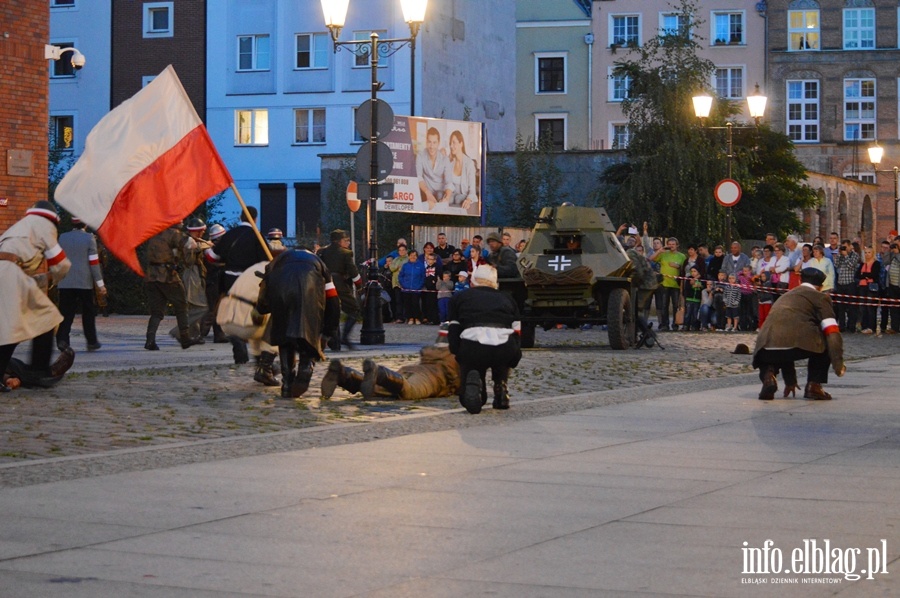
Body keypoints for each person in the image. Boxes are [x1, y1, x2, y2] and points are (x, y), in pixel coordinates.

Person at [0, 201, 74, 392]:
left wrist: (42, 279)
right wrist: (55, 277)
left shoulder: (19, 226)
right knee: (48, 318)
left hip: (7, 273)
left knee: (9, 326)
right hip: (11, 274)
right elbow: (62, 264)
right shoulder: (45, 225)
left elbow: (18, 268)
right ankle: (38, 370)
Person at [256, 240, 341, 398]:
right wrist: (329, 331)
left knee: (284, 337)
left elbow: (263, 295)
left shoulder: (276, 262)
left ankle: (287, 383)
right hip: (310, 294)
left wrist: (263, 307)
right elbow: (333, 300)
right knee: (308, 327)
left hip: (280, 293)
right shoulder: (320, 263)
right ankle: (306, 366)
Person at [753, 268, 845, 401]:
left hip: (764, 346)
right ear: (820, 286)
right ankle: (814, 385)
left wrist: (790, 381)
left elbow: (784, 340)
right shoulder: (820, 297)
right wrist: (838, 364)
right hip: (798, 344)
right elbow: (832, 331)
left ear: (800, 280)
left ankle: (769, 377)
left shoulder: (785, 296)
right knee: (825, 338)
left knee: (775, 346)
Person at [448, 264, 521, 414]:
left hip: (473, 344)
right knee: (502, 361)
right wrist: (515, 356)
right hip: (504, 346)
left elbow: (454, 328)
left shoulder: (460, 297)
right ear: (495, 282)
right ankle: (501, 385)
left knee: (472, 365)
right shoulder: (508, 298)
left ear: (473, 280)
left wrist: (457, 351)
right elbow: (517, 331)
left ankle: (475, 384)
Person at [321, 326, 460, 401]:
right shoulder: (453, 356)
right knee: (409, 390)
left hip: (412, 370)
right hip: (432, 379)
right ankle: (380, 373)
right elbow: (457, 383)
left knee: (381, 390)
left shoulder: (431, 351)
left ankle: (344, 375)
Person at [206, 206, 270, 363]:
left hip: (229, 280)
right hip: (249, 280)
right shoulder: (258, 237)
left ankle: (238, 344)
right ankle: (258, 350)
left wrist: (208, 249)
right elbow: (266, 263)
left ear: (241, 217)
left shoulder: (230, 235)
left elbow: (213, 258)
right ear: (255, 218)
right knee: (254, 314)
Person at [143, 225, 202, 351]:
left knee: (156, 312)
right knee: (181, 306)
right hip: (168, 277)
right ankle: (185, 338)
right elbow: (188, 250)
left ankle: (150, 340)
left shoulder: (153, 233)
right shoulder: (173, 233)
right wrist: (196, 247)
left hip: (151, 276)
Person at [55, 217, 105, 352]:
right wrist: (100, 284)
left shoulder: (62, 237)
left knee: (65, 313)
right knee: (88, 312)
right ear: (86, 224)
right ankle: (91, 341)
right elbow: (94, 263)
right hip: (84, 282)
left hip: (65, 281)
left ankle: (62, 340)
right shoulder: (89, 238)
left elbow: (57, 259)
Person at [317, 229, 362, 349]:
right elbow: (354, 272)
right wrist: (360, 287)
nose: (348, 243)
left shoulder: (322, 252)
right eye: (346, 240)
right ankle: (344, 338)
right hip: (339, 284)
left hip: (324, 284)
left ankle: (333, 340)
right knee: (354, 309)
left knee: (330, 311)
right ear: (338, 241)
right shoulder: (345, 253)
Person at [651, 237, 686, 331]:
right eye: (669, 244)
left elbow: (685, 268)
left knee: (675, 305)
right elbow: (651, 259)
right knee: (664, 305)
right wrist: (659, 251)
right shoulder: (663, 254)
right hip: (664, 283)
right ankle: (664, 324)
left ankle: (675, 324)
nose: (671, 246)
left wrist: (678, 266)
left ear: (677, 245)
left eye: (673, 244)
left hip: (676, 284)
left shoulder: (681, 256)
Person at [416, 127, 452, 208]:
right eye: (429, 142)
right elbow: (418, 176)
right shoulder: (420, 156)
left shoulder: (445, 159)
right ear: (426, 142)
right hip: (426, 191)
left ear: (438, 143)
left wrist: (447, 198)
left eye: (434, 142)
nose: (431, 146)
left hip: (441, 193)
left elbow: (449, 182)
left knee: (441, 197)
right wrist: (427, 193)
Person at [833, 238, 860, 333]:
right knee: (840, 307)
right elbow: (836, 265)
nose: (844, 249)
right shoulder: (841, 255)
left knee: (852, 307)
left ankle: (851, 326)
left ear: (849, 246)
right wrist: (839, 255)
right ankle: (842, 326)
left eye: (845, 247)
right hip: (841, 283)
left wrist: (846, 256)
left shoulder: (855, 255)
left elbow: (851, 266)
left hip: (850, 283)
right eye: (842, 247)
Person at [447, 129, 478, 210]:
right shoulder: (450, 162)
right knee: (441, 195)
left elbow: (472, 190)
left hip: (463, 195)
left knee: (458, 199)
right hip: (452, 193)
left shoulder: (469, 163)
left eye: (454, 142)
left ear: (461, 144)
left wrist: (468, 199)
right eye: (450, 143)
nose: (451, 145)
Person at [856, 246, 881, 334]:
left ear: (873, 253)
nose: (867, 254)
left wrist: (864, 275)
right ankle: (864, 326)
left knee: (870, 307)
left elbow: (874, 274)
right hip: (862, 287)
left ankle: (871, 327)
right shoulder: (863, 263)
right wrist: (866, 275)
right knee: (862, 307)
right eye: (865, 253)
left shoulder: (876, 263)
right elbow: (858, 274)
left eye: (869, 252)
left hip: (871, 287)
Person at [399, 249, 425, 324]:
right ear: (408, 256)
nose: (413, 257)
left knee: (415, 303)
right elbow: (401, 276)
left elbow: (423, 277)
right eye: (411, 255)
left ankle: (417, 318)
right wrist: (403, 285)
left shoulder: (420, 266)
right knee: (407, 303)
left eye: (414, 255)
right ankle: (409, 318)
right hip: (406, 288)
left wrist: (419, 286)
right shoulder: (405, 265)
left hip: (416, 288)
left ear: (417, 256)